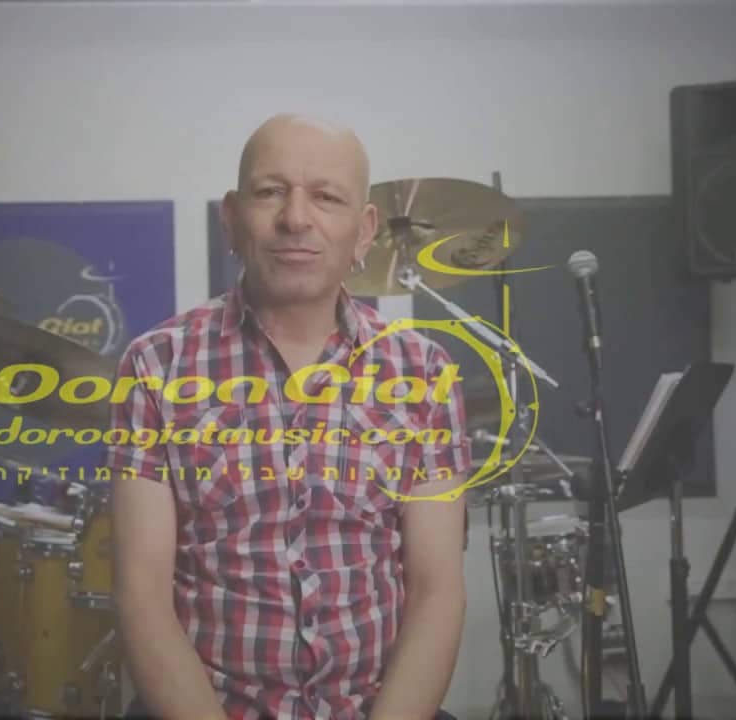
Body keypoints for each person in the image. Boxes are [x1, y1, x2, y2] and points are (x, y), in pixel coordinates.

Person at [107, 114, 471, 720]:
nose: (296, 218)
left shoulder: (425, 371)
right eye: (271, 191)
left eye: (326, 197)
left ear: (365, 231)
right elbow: (140, 593)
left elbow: (438, 590)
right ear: (232, 218)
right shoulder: (156, 365)